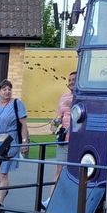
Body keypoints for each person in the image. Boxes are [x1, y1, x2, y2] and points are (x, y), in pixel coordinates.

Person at [0, 79, 29, 207]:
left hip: (9, 141)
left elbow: (23, 124)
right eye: (4, 89)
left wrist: (25, 142)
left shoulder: (17, 104)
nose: (7, 91)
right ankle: (0, 191)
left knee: (3, 172)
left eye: (9, 89)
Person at [44, 70, 76, 206]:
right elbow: (59, 116)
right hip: (64, 138)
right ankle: (51, 200)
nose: (71, 83)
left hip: (78, 140)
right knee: (59, 170)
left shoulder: (85, 96)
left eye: (74, 79)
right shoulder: (64, 97)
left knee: (77, 172)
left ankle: (74, 202)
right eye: (69, 80)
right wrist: (55, 123)